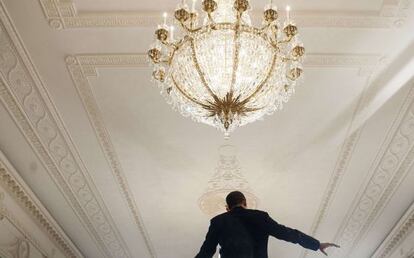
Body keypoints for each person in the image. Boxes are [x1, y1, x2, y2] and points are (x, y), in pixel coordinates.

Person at [195, 191, 339, 258]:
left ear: (227, 207)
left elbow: (206, 251)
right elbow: (287, 234)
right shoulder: (260, 217)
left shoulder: (218, 221)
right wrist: (316, 244)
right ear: (246, 203)